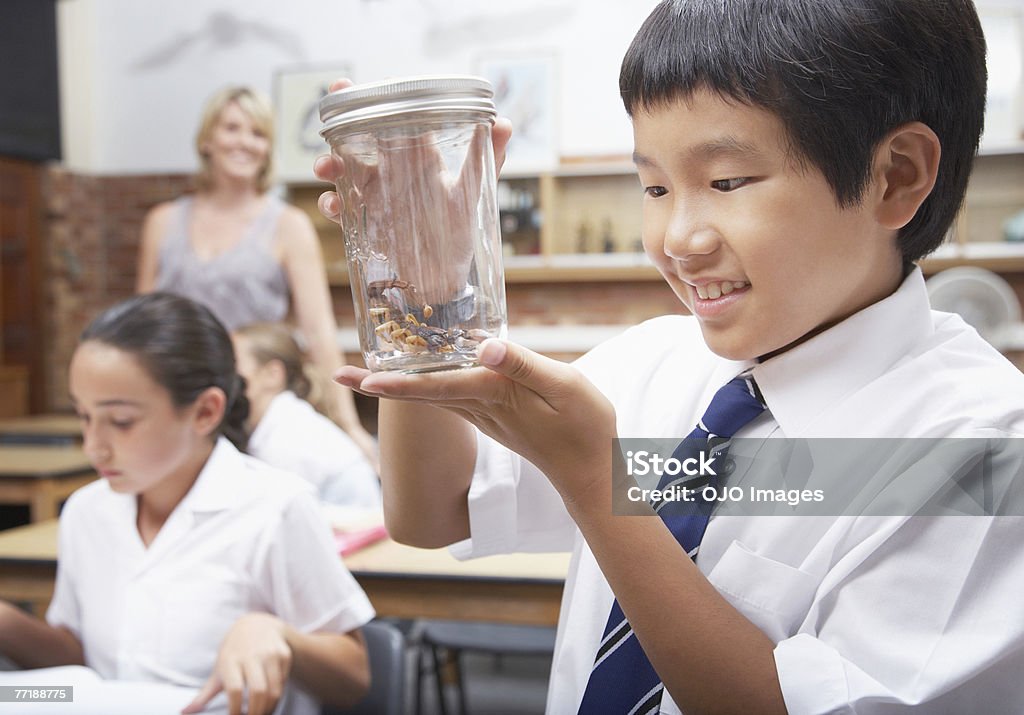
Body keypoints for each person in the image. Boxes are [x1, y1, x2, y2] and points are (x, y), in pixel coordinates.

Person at [320, 1, 1024, 713]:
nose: (677, 238)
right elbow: (434, 512)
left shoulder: (983, 450)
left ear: (896, 176)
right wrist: (428, 292)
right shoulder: (654, 360)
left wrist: (597, 484)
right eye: (654, 187)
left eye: (726, 182)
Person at [0, 293, 374, 715]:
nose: (94, 448)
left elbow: (353, 677)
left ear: (205, 411)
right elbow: (85, 671)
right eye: (84, 417)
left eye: (121, 422)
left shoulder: (275, 507)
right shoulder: (87, 511)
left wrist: (277, 634)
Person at [135, 85, 377, 468]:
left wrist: (349, 425)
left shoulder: (288, 225)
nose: (244, 142)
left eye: (258, 133)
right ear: (207, 140)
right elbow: (141, 330)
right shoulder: (162, 222)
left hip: (253, 406)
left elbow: (319, 331)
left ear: (268, 149)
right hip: (177, 399)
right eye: (232, 128)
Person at [232, 321, 381, 509]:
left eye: (233, 363)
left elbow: (280, 512)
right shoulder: (277, 422)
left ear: (273, 374)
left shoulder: (287, 433)